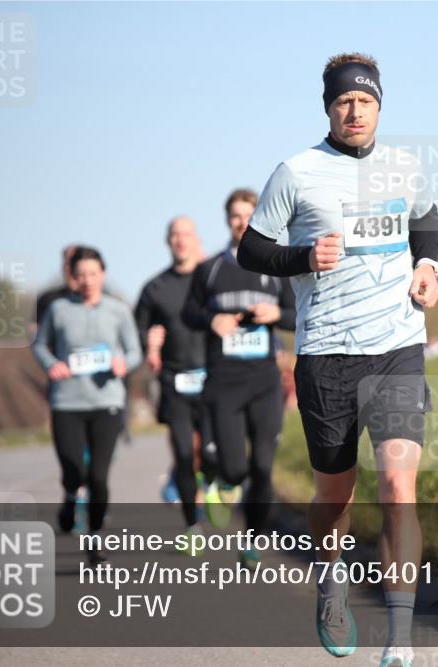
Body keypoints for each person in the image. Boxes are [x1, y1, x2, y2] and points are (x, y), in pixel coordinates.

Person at [237, 53, 438, 667]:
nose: (355, 111)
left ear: (380, 106)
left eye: (366, 101)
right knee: (335, 495)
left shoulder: (406, 167)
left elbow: (425, 220)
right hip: (327, 354)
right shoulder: (296, 173)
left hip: (399, 347)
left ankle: (400, 643)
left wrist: (428, 267)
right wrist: (303, 260)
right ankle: (330, 582)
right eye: (343, 102)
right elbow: (252, 247)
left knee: (400, 487)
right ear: (328, 107)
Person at [182, 188, 296, 567]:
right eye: (235, 215)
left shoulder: (277, 268)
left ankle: (252, 540)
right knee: (235, 467)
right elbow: (189, 314)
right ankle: (222, 482)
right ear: (227, 219)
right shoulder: (210, 268)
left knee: (263, 466)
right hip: (223, 382)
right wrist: (211, 319)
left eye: (249, 214)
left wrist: (276, 314)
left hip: (264, 381)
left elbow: (299, 317)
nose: (241, 221)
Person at [32, 246, 142, 564]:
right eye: (81, 275)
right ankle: (69, 496)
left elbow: (134, 350)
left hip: (107, 401)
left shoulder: (118, 310)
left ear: (103, 274)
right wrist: (51, 364)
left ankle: (94, 541)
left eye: (93, 274)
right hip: (67, 402)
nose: (88, 280)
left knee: (98, 476)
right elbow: (39, 345)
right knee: (73, 469)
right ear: (73, 277)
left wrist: (125, 363)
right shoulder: (58, 310)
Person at [134, 216, 213, 543]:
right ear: (168, 241)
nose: (180, 240)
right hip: (174, 379)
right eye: (174, 235)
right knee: (183, 452)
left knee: (211, 454)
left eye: (186, 234)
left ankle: (211, 486)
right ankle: (191, 524)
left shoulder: (212, 280)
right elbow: (136, 330)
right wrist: (148, 345)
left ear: (196, 239)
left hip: (214, 378)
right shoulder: (155, 288)